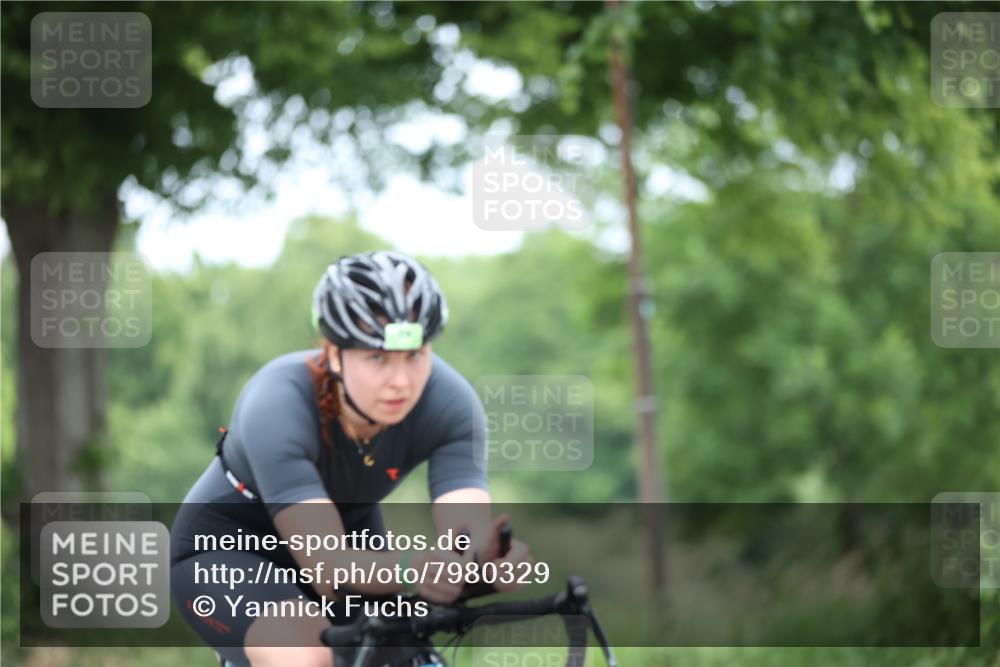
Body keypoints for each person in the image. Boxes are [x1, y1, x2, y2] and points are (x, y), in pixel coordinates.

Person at [170, 250, 532, 667]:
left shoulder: (450, 403)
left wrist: (486, 561)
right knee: (307, 656)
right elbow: (327, 564)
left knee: (408, 658)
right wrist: (410, 569)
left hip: (352, 541)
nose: (401, 381)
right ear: (334, 353)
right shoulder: (277, 403)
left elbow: (464, 531)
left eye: (415, 355)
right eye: (377, 358)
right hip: (230, 549)